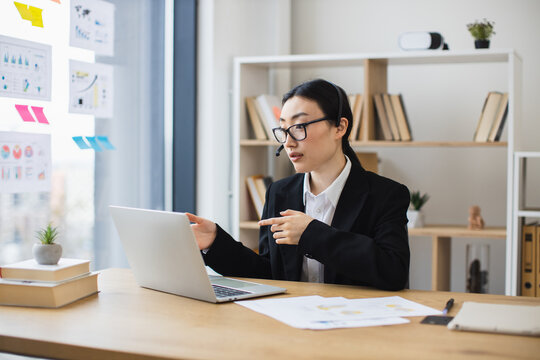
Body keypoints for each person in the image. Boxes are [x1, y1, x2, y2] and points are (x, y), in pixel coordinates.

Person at [187, 79, 410, 291]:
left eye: (299, 126)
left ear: (340, 127)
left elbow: (394, 271)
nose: (288, 142)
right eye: (284, 130)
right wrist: (215, 242)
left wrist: (311, 234)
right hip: (291, 321)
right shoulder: (279, 192)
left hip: (355, 324)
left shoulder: (386, 195)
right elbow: (268, 273)